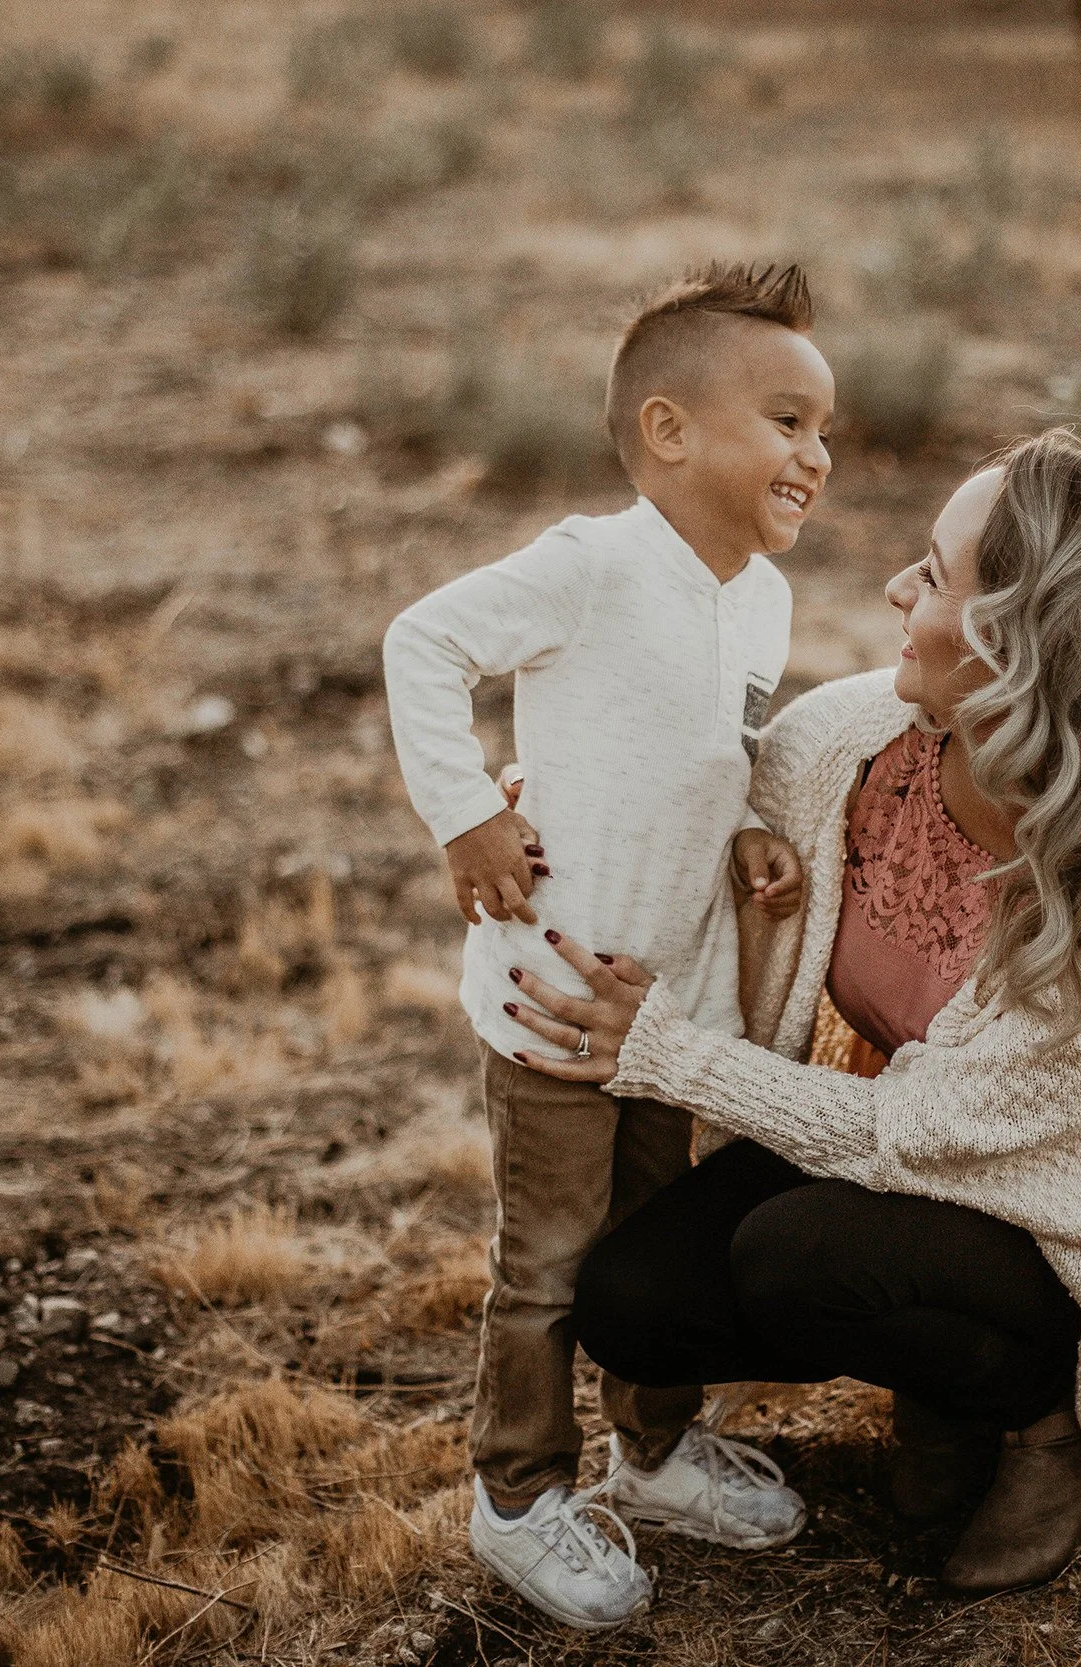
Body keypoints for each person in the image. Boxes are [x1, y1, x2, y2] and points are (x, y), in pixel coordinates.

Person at [500, 428, 1081, 1596]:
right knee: (632, 1301)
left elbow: (920, 1129)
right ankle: (943, 1384)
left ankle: (1046, 1415)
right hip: (895, 1156)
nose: (898, 588)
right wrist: (563, 800)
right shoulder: (846, 743)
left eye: (933, 570)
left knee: (803, 1254)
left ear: (1023, 644)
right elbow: (697, 797)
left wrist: (667, 1056)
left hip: (1069, 1213)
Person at [381, 262, 830, 1629]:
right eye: (789, 420)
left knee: (649, 1251)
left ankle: (652, 1446)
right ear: (670, 430)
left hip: (663, 1003)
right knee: (554, 1258)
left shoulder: (759, 601)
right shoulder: (592, 563)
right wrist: (466, 814)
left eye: (826, 432)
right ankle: (516, 1493)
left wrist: (754, 826)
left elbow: (715, 751)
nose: (816, 455)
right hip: (554, 985)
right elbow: (422, 640)